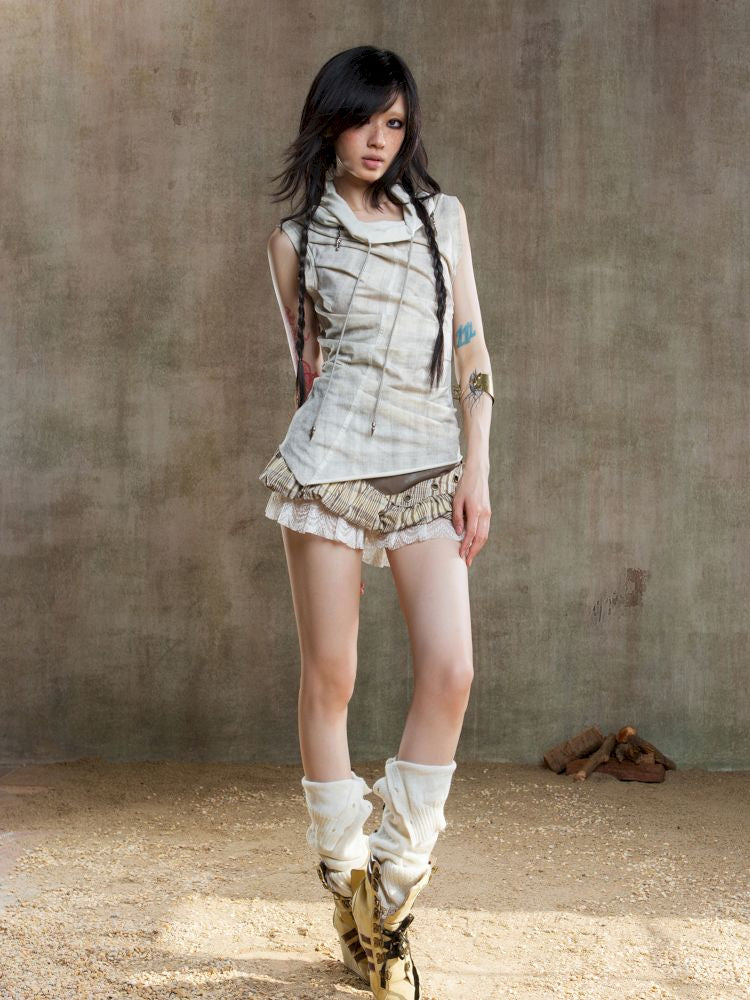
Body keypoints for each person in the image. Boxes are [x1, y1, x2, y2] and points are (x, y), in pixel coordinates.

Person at [258, 45, 493, 999]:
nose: (378, 140)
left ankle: (391, 896)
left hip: (431, 468)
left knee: (452, 669)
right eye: (362, 121)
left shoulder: (443, 220)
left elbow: (472, 352)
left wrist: (477, 467)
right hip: (329, 473)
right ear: (330, 124)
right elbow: (307, 372)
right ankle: (347, 885)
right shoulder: (293, 241)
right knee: (333, 677)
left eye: (394, 123)